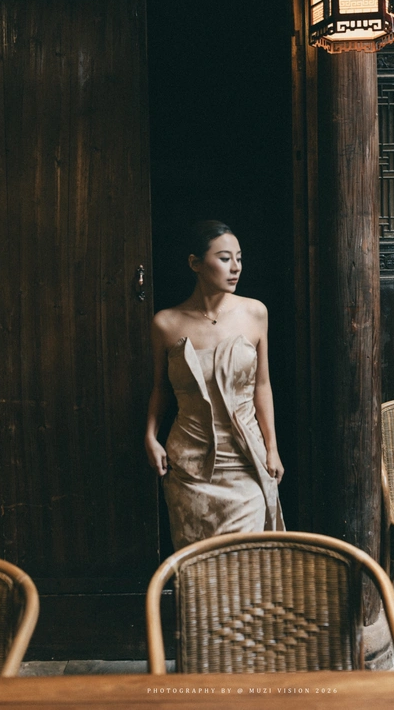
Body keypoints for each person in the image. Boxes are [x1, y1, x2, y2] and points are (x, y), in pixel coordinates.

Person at [145, 220, 285, 550]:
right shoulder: (165, 323)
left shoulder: (255, 313)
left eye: (239, 258)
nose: (236, 267)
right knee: (198, 563)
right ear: (195, 263)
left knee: (247, 558)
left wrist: (272, 448)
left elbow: (262, 385)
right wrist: (150, 437)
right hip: (190, 463)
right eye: (224, 258)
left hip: (246, 459)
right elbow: (160, 388)